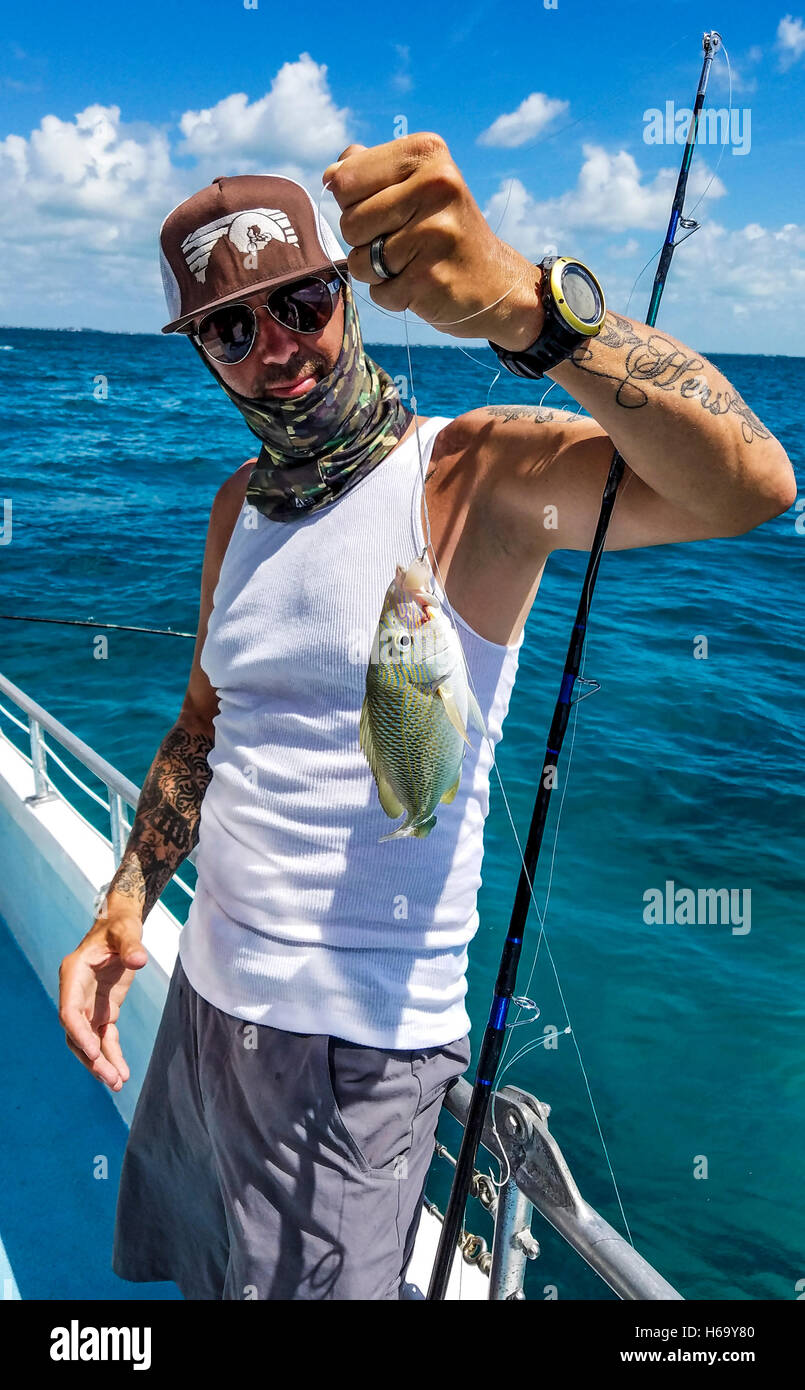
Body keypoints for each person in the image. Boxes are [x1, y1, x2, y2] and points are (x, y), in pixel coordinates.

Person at [57, 134, 796, 1301]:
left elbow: (747, 483)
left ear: (346, 288)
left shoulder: (475, 473)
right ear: (201, 353)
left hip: (357, 1053)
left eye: (298, 300)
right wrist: (125, 901)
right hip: (205, 999)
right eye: (231, 328)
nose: (276, 349)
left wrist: (523, 302)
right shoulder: (233, 510)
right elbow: (205, 728)